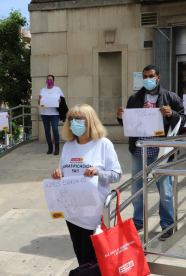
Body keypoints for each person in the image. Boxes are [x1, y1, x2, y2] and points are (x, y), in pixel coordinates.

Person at [116, 65, 186, 241]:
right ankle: (138, 220)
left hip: (161, 151)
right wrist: (120, 118)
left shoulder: (170, 97)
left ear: (158, 77)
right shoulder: (134, 98)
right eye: (145, 76)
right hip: (138, 150)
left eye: (151, 76)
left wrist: (173, 114)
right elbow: (128, 125)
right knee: (137, 188)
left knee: (165, 190)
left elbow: (184, 120)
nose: (148, 79)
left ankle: (168, 224)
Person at [51, 104, 122, 266]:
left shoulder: (104, 144)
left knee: (95, 260)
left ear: (89, 121)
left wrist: (98, 173)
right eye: (70, 119)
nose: (73, 122)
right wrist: (57, 175)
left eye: (78, 119)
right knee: (82, 258)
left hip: (95, 214)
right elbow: (64, 173)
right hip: (72, 213)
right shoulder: (68, 146)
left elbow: (116, 175)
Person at [38, 75, 65, 155]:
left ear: (53, 81)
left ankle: (57, 147)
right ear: (46, 81)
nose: (49, 81)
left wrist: (60, 100)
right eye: (48, 79)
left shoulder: (57, 89)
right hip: (44, 113)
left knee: (55, 129)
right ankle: (50, 147)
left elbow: (63, 99)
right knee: (46, 130)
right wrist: (39, 99)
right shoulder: (43, 90)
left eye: (51, 79)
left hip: (54, 113)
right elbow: (39, 102)